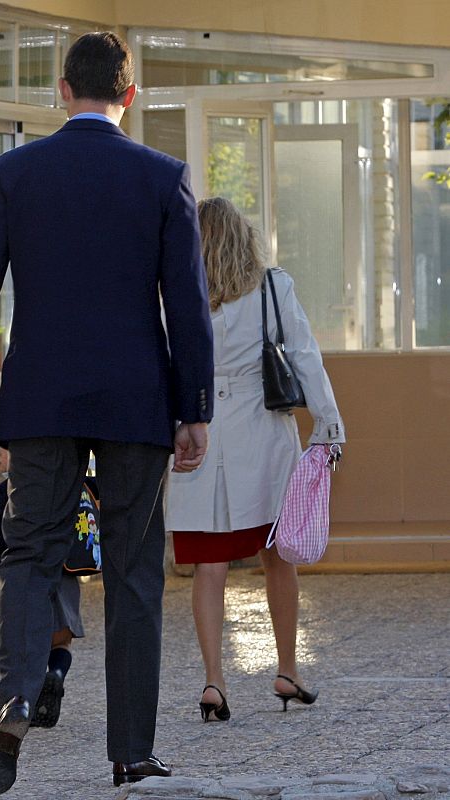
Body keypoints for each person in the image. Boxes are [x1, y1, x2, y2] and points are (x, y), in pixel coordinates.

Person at [0, 31, 215, 794]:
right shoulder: (163, 178)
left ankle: (19, 692)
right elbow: (186, 306)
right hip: (135, 398)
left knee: (29, 551)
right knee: (131, 571)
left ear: (62, 89)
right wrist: (194, 408)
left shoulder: (17, 172)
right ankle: (130, 753)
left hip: (42, 395)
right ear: (129, 94)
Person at [165, 196, 345, 723]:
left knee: (210, 565)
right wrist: (329, 425)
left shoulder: (177, 292)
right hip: (265, 436)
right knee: (278, 557)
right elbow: (305, 355)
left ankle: (214, 682)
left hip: (197, 434)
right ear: (245, 238)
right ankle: (287, 668)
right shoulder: (273, 286)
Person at [0, 445, 85, 729]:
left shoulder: (2, 496)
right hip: (61, 579)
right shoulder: (65, 490)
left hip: (15, 583)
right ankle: (57, 674)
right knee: (60, 642)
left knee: (22, 647)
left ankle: (22, 701)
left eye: (5, 447)